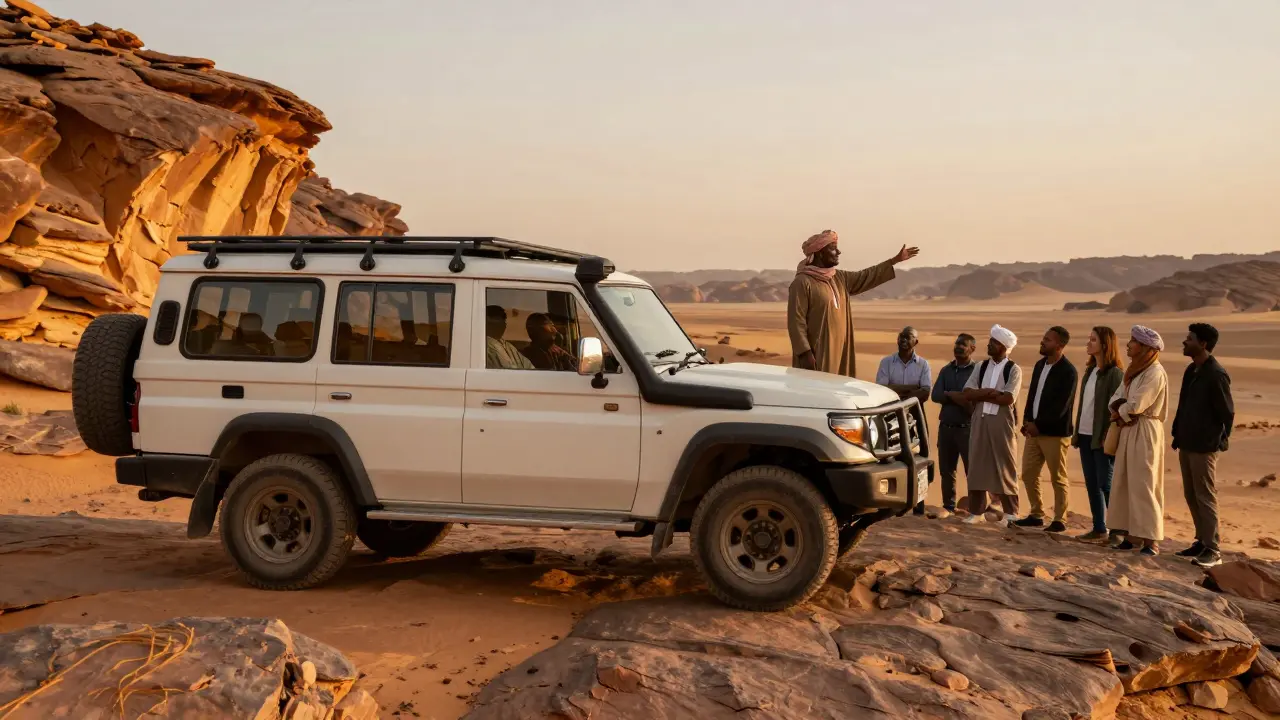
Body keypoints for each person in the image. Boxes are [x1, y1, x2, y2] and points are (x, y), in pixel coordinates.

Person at [788, 230, 919, 377]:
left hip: (841, 352)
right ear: (819, 253)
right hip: (817, 354)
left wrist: (894, 261)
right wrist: (805, 353)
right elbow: (796, 321)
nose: (838, 252)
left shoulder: (839, 278)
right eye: (833, 248)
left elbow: (866, 276)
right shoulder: (802, 283)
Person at [1171, 323, 1234, 568]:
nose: (1184, 342)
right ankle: (1200, 540)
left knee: (1205, 495)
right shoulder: (1192, 370)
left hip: (1204, 447)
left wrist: (1216, 442)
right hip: (1186, 443)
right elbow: (1184, 405)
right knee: (1191, 494)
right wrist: (1177, 432)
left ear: (1203, 344)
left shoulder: (1216, 374)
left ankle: (1213, 549)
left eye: (1189, 339)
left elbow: (1226, 414)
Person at [1107, 325, 1169, 556]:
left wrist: (1120, 409)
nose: (1128, 345)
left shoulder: (1154, 372)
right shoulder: (1133, 371)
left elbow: (1137, 405)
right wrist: (1119, 409)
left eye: (1133, 342)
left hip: (1145, 429)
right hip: (1127, 428)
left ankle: (1151, 540)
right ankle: (1130, 535)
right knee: (1125, 481)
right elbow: (1116, 398)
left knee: (1144, 483)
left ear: (1145, 348)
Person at [1014, 326, 1078, 533]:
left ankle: (1060, 519)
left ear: (1059, 345)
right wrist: (1026, 421)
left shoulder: (1068, 371)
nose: (1043, 342)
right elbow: (1032, 395)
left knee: (1057, 477)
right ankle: (1036, 514)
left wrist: (1038, 424)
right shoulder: (1040, 365)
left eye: (1048, 340)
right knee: (1029, 474)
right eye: (1043, 338)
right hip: (1034, 431)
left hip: (1055, 433)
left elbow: (1061, 407)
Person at [960, 325, 1023, 525]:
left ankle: (1011, 513)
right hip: (980, 419)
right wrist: (990, 393)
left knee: (1004, 465)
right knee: (977, 464)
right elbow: (968, 392)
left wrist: (983, 394)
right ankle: (976, 512)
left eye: (993, 343)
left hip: (1001, 423)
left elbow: (1008, 398)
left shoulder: (1013, 369)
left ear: (1003, 347)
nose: (988, 345)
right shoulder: (981, 366)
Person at [1072, 326, 1125, 542]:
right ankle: (1098, 528)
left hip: (1101, 438)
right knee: (1092, 484)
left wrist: (1106, 434)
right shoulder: (1090, 371)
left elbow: (1116, 407)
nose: (1088, 343)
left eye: (1093, 339)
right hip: (1084, 434)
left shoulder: (1115, 374)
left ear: (1105, 345)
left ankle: (1118, 531)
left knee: (1106, 483)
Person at [931, 333, 978, 513]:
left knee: (971, 471)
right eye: (957, 343)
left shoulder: (977, 371)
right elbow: (936, 395)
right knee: (947, 470)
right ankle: (948, 506)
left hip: (967, 429)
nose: (958, 347)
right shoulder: (946, 370)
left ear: (972, 349)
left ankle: (975, 508)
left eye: (963, 345)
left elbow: (973, 399)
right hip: (946, 428)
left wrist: (950, 395)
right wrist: (956, 396)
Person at [876, 327, 933, 402]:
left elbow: (925, 392)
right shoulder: (886, 362)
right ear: (897, 340)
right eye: (902, 336)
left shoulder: (923, 364)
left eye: (908, 337)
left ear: (916, 342)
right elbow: (881, 389)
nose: (904, 340)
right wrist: (912, 388)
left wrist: (902, 399)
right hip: (891, 409)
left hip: (915, 410)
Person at [484, 305, 534, 370]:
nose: (504, 324)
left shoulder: (508, 346)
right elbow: (507, 371)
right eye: (499, 319)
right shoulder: (486, 345)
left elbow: (529, 366)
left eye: (504, 320)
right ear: (487, 320)